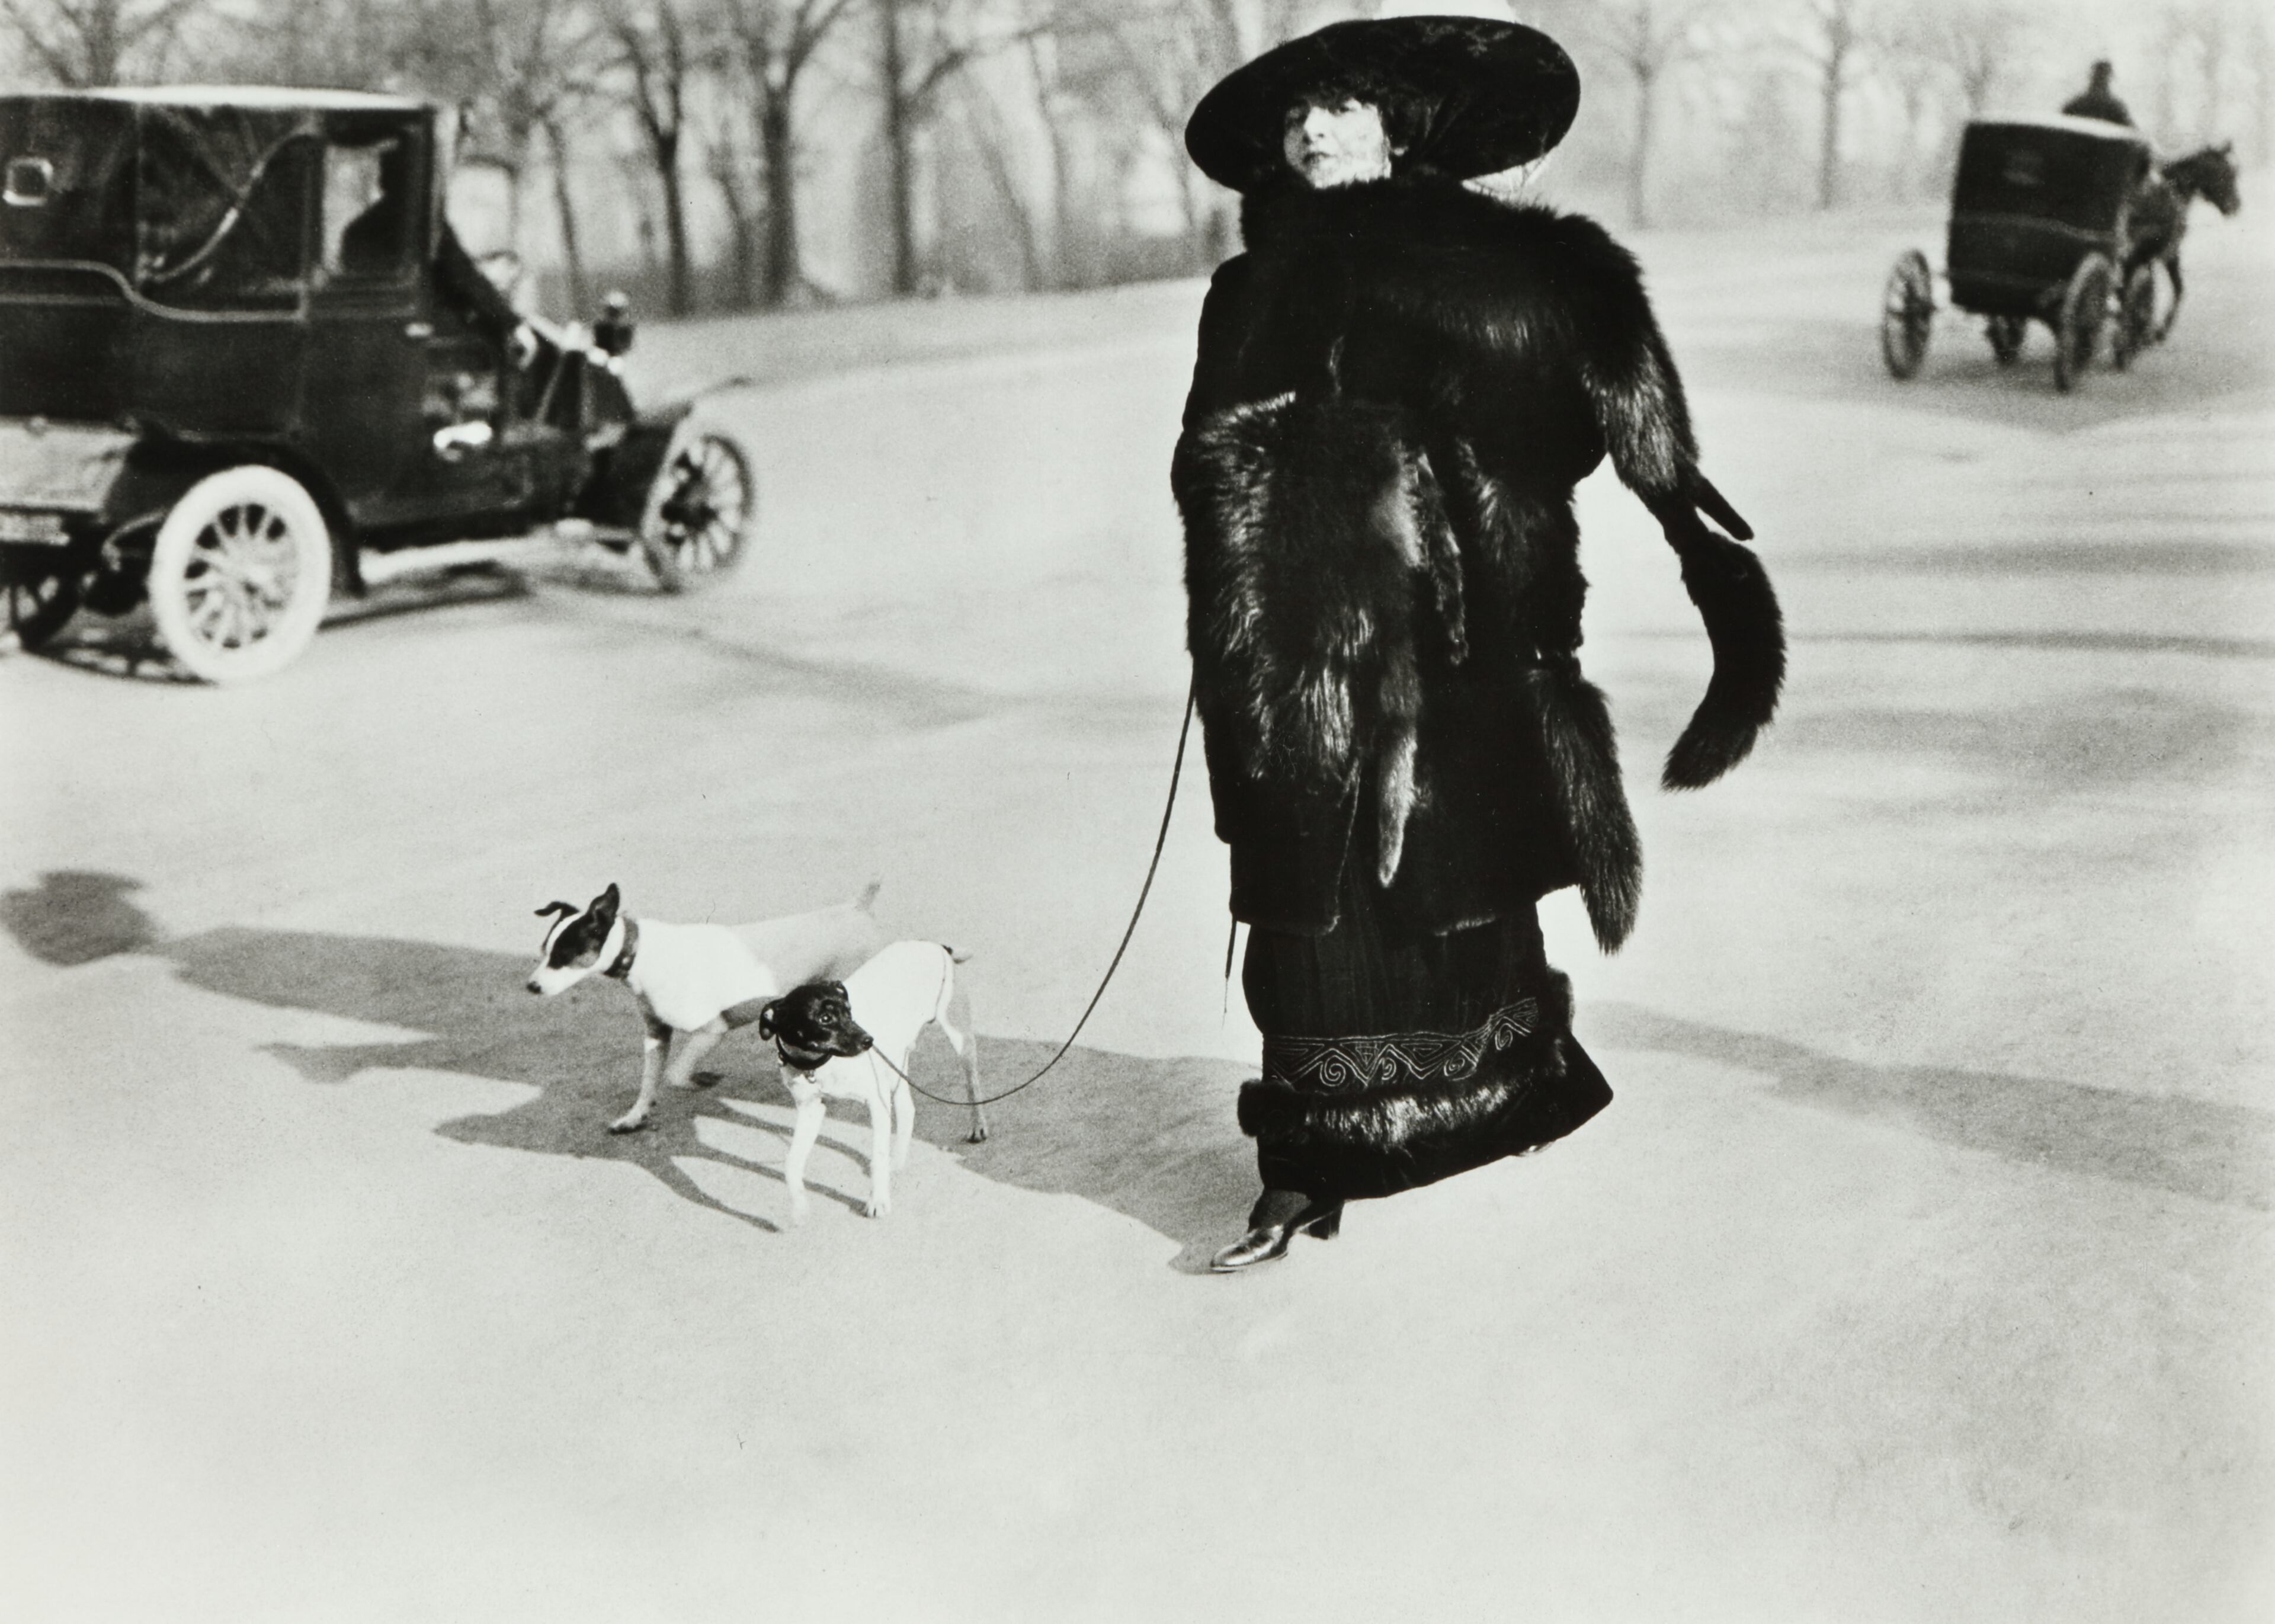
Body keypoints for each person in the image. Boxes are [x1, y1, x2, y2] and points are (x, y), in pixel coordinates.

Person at [1172, 17, 1784, 1272]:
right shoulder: (1252, 286)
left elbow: (1583, 388)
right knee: (1316, 900)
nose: (1312, 131)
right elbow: (1210, 456)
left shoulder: (1503, 264)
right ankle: (1311, 1157)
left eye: (1339, 108)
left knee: (1457, 868)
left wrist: (1687, 521)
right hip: (1298, 650)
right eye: (1295, 119)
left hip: (1465, 642)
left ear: (1399, 125)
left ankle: (1494, 1091)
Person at [2063, 60, 2133, 126]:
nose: (2100, 80)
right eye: (2098, 76)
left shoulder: (2116, 109)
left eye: (2102, 77)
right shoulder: (2076, 105)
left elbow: (2130, 133)